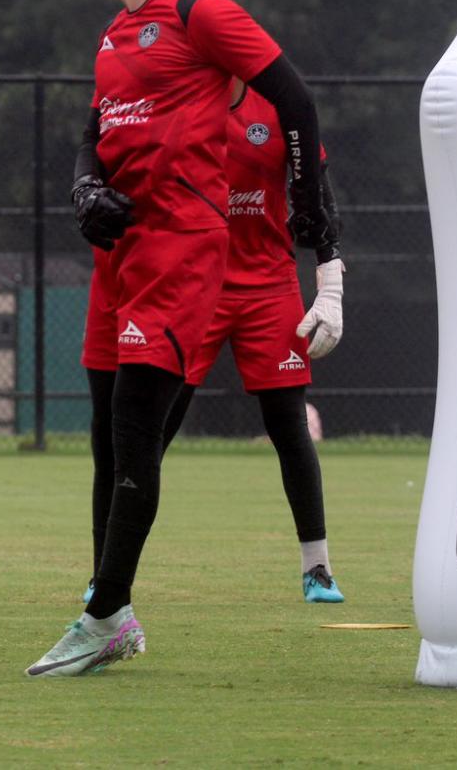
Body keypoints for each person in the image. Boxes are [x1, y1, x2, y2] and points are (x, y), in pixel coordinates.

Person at [27, 0, 335, 677]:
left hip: (179, 252)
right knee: (107, 441)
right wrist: (84, 192)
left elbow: (296, 99)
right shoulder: (114, 34)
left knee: (138, 430)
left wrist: (313, 217)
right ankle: (111, 603)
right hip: (118, 258)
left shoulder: (201, 12)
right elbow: (90, 138)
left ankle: (103, 620)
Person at [157, 77, 348, 603]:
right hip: (197, 283)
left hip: (268, 285)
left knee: (289, 427)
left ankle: (318, 569)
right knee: (156, 425)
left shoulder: (279, 108)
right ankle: (108, 574)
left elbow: (319, 191)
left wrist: (330, 279)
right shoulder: (181, 104)